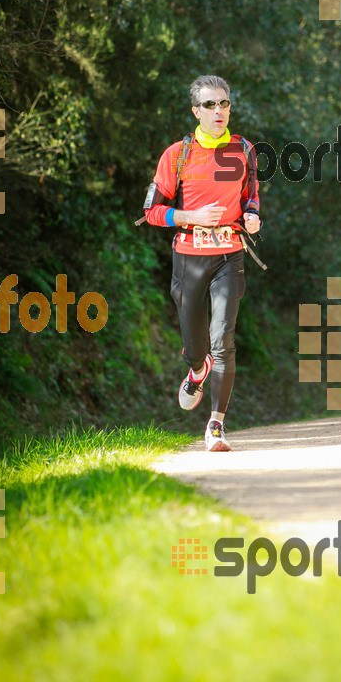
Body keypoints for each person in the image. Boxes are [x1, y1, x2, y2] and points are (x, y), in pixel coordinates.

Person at [144, 75, 261, 451]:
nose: (218, 111)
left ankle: (216, 426)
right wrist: (190, 216)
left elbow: (250, 197)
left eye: (224, 103)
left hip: (230, 254)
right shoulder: (177, 154)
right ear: (196, 111)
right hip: (189, 257)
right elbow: (151, 212)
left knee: (223, 339)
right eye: (210, 105)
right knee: (197, 348)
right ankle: (197, 369)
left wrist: (253, 216)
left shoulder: (243, 149)